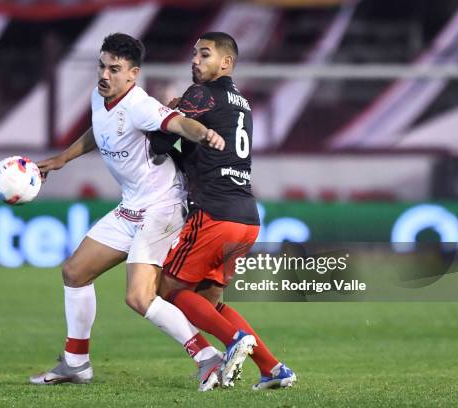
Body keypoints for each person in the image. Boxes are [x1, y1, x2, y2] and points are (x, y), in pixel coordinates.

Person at [29, 33, 228, 391]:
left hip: (163, 206)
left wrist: (204, 133)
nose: (104, 75)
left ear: (132, 74)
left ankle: (208, 358)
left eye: (114, 69)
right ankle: (76, 363)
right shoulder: (99, 96)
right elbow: (98, 130)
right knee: (75, 272)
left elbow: (177, 123)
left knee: (139, 297)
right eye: (102, 66)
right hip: (132, 205)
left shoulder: (140, 105)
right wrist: (62, 159)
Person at [149, 32, 297, 390]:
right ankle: (273, 368)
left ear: (226, 62)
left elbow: (158, 144)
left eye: (204, 54)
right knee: (207, 303)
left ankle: (232, 341)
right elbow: (204, 154)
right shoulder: (242, 103)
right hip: (247, 218)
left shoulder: (201, 94)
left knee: (167, 291)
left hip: (215, 214)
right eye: (194, 54)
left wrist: (169, 116)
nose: (195, 60)